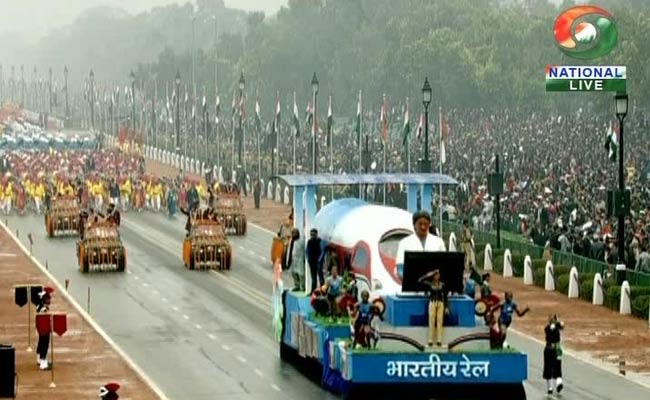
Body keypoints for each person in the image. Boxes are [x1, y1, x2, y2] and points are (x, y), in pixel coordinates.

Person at [395, 210, 446, 279]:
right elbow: (400, 268)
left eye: (426, 224)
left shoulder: (438, 242)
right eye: (420, 224)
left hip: (433, 285)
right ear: (414, 225)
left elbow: (444, 264)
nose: (423, 227)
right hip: (412, 286)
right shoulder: (404, 243)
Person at [418, 269, 448, 347]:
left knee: (439, 321)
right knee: (431, 320)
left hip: (440, 303)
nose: (437, 276)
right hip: (432, 302)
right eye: (435, 275)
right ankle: (430, 339)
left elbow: (445, 296)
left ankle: (439, 340)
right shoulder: (430, 284)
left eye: (438, 275)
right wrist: (428, 274)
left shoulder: (442, 284)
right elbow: (420, 280)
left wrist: (447, 307)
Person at [543, 314, 565, 395]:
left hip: (557, 349)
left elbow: (562, 326)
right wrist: (555, 325)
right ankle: (550, 387)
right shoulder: (547, 328)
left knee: (558, 367)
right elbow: (549, 329)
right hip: (549, 349)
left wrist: (557, 324)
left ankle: (558, 383)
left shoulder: (556, 326)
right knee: (548, 368)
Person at [36, 286, 54, 370]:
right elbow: (45, 319)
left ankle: (39, 360)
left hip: (40, 328)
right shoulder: (43, 309)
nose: (50, 301)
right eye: (48, 299)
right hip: (44, 329)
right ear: (44, 299)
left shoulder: (39, 306)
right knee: (44, 344)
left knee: (40, 343)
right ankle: (43, 363)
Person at [307, 228, 324, 293]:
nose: (312, 236)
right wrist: (308, 259)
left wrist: (319, 260)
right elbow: (307, 251)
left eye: (313, 234)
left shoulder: (319, 241)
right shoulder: (309, 242)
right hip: (311, 262)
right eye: (311, 235)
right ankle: (313, 291)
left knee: (320, 277)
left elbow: (322, 251)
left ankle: (322, 291)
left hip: (318, 262)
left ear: (316, 234)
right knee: (313, 278)